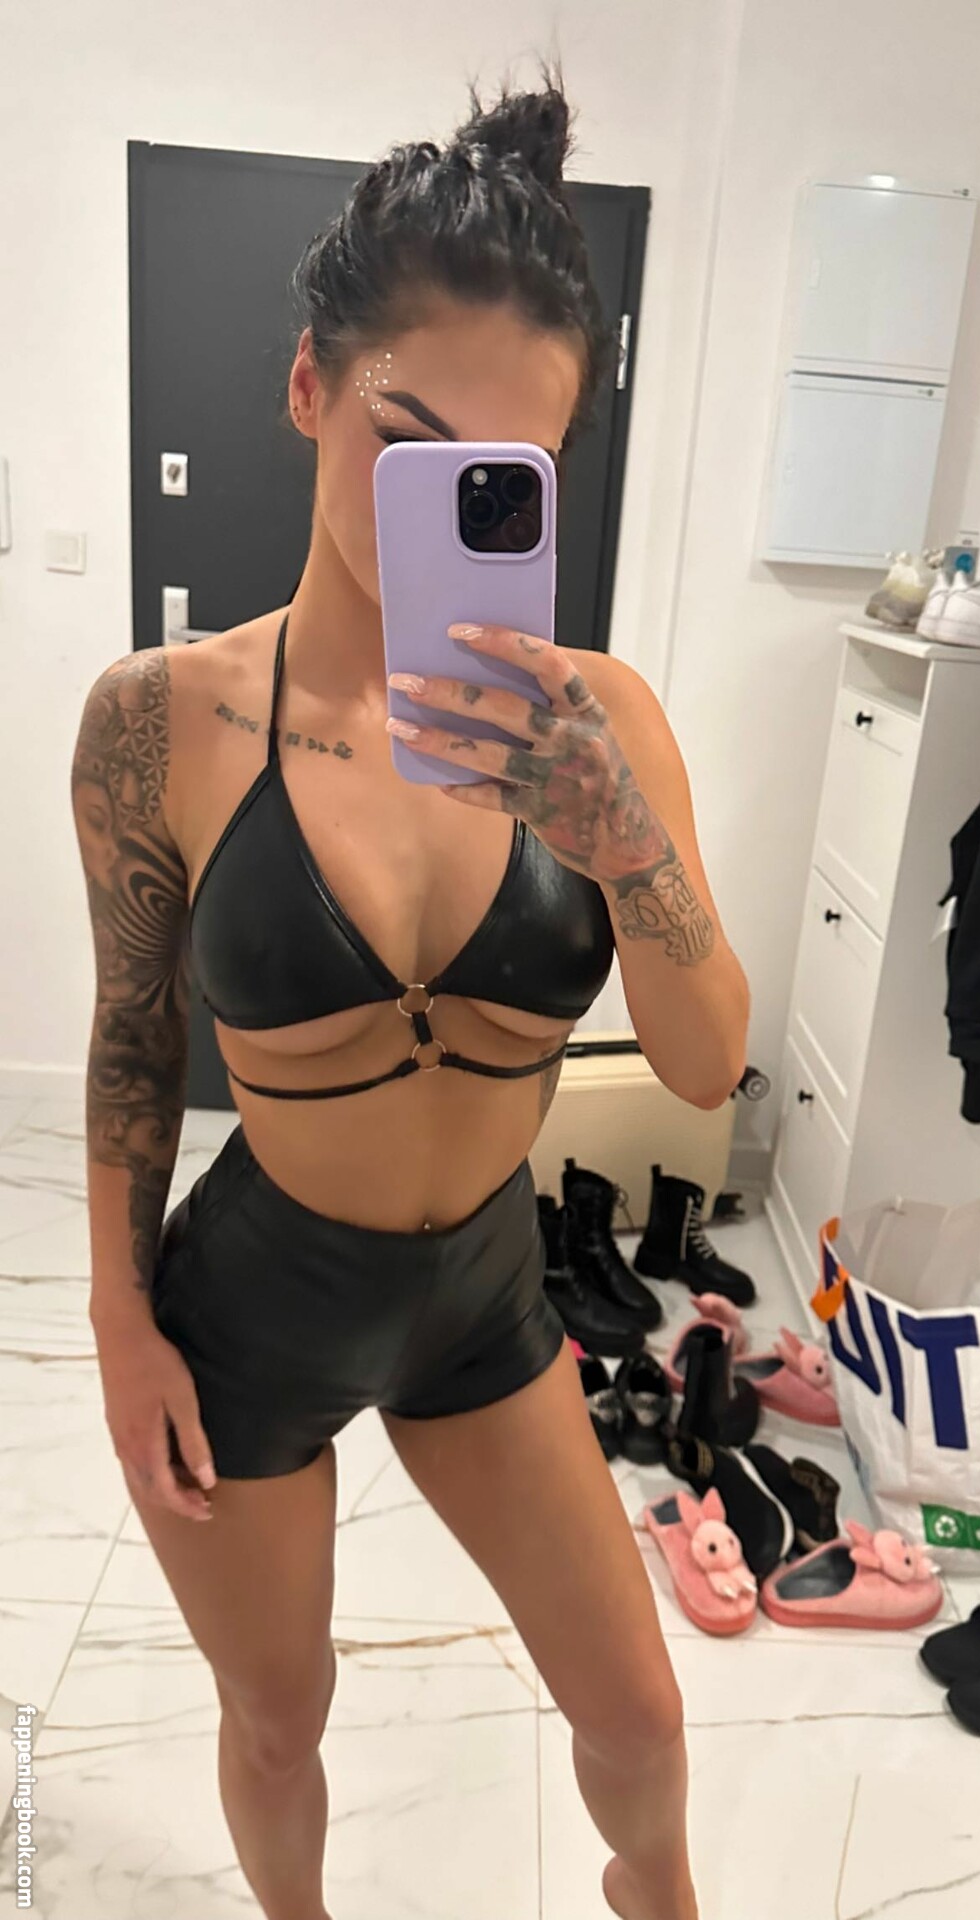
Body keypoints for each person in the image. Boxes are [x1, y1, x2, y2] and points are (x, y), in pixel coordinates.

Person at [71, 69, 748, 1920]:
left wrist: (625, 847)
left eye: (504, 476)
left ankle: (660, 1902)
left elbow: (707, 1065)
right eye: (407, 436)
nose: (447, 500)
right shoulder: (162, 722)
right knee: (277, 1717)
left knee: (640, 1717)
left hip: (480, 1295)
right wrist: (122, 1330)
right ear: (310, 385)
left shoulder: (604, 726)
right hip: (254, 1309)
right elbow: (134, 1038)